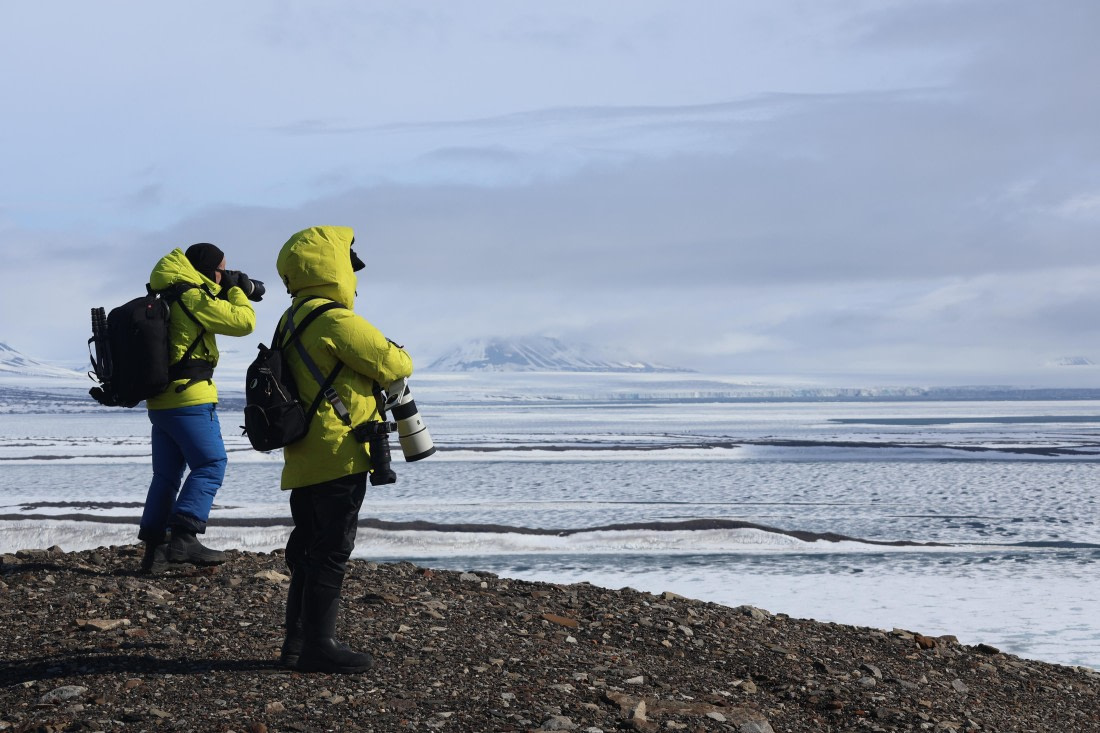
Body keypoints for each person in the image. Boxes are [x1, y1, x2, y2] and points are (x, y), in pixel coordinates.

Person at [274, 225, 413, 674]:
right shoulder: (335, 319)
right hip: (340, 450)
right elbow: (395, 363)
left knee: (308, 549)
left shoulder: (289, 319)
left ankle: (296, 645)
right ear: (333, 268)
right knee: (331, 551)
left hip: (302, 455)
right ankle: (319, 646)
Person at [139, 243, 259, 573]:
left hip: (162, 402)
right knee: (211, 463)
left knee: (166, 475)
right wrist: (235, 290)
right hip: (189, 399)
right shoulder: (191, 297)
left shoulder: (169, 295)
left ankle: (155, 552)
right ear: (206, 269)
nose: (224, 275)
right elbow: (243, 322)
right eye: (221, 269)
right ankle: (184, 537)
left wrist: (223, 286)